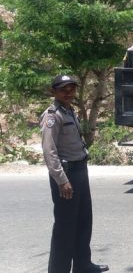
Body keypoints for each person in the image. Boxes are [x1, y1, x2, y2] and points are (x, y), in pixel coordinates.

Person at [40, 75, 109, 273]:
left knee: (83, 220)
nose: (68, 92)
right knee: (65, 226)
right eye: (63, 89)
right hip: (66, 173)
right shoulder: (52, 116)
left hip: (79, 170)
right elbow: (49, 151)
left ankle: (82, 265)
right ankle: (58, 270)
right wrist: (62, 180)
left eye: (71, 88)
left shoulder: (69, 111)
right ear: (54, 92)